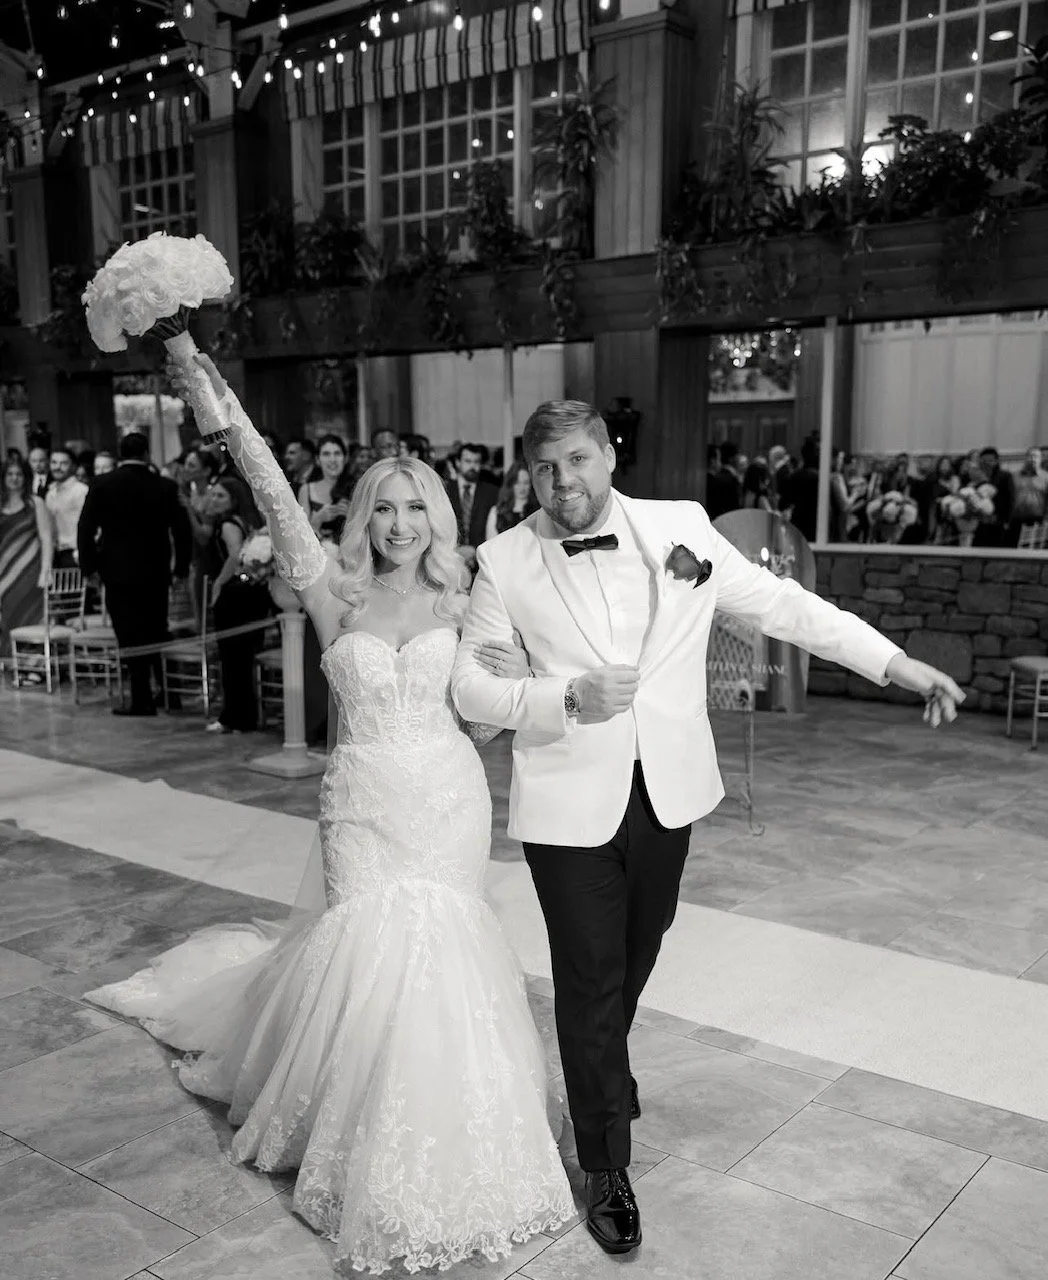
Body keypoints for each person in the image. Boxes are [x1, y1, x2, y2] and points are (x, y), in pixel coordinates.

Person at [84, 354, 575, 1275]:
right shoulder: (330, 589)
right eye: (382, 507)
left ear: (440, 513)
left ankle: (440, 1138)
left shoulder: (471, 594)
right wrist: (205, 387)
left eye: (414, 505)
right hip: (359, 802)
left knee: (439, 953)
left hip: (443, 796)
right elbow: (269, 484)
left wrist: (519, 709)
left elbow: (496, 707)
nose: (397, 524)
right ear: (364, 516)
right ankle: (353, 1127)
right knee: (366, 947)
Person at [450, 399, 964, 1257]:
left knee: (636, 955)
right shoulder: (503, 560)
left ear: (609, 456)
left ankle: (603, 1079)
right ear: (528, 474)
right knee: (588, 980)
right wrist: (562, 697)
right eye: (545, 469)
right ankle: (605, 1159)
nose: (562, 482)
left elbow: (784, 607)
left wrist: (893, 663)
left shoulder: (681, 528)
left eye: (577, 460)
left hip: (669, 795)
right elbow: (471, 688)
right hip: (568, 803)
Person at [77, 432, 192, 717]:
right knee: (157, 630)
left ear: (120, 454)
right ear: (146, 454)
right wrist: (180, 569)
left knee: (129, 635)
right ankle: (169, 693)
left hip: (117, 573)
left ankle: (142, 699)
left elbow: (85, 529)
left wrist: (89, 569)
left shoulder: (102, 484)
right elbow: (182, 530)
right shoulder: (164, 486)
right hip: (155, 572)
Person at [202, 478, 272, 734]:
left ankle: (235, 717)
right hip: (249, 595)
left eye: (221, 496)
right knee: (240, 659)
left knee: (233, 659)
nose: (215, 499)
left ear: (234, 498)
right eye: (214, 495)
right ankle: (240, 716)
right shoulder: (247, 522)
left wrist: (219, 584)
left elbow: (234, 555)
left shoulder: (230, 524)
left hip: (234, 596)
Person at [1, 456, 53, 668]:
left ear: (26, 477)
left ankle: (35, 667)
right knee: (7, 618)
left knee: (31, 617)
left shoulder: (36, 503)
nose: (15, 479)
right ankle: (13, 665)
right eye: (10, 475)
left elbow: (46, 538)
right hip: (3, 573)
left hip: (31, 572)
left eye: (19, 474)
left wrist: (46, 571)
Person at [445, 443, 498, 572]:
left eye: (476, 462)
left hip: (482, 561)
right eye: (468, 461)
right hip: (449, 559)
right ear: (458, 462)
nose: (473, 466)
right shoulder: (444, 490)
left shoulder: (492, 492)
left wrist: (474, 551)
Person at [45, 447, 89, 568]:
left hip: (76, 555)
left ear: (73, 466)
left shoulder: (81, 491)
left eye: (63, 463)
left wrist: (81, 553)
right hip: (55, 555)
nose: (57, 467)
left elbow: (92, 527)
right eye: (54, 462)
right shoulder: (51, 493)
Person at [486, 460, 539, 540]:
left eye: (526, 483)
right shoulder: (497, 511)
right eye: (517, 483)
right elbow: (490, 545)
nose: (522, 487)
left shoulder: (538, 511)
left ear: (531, 484)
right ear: (511, 484)